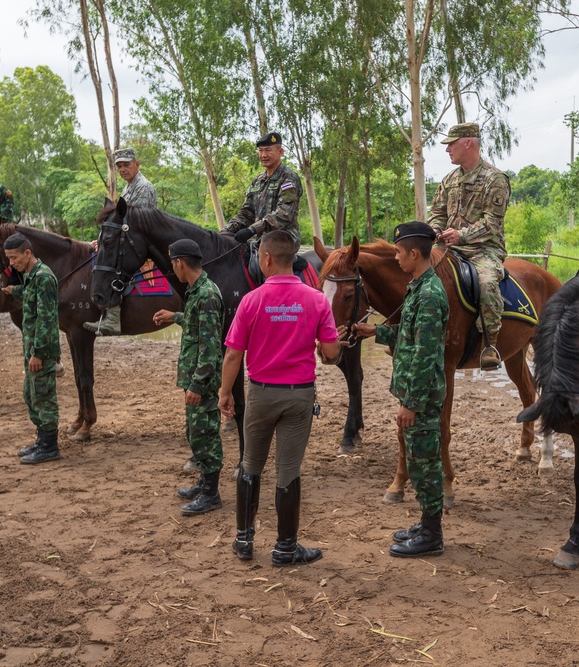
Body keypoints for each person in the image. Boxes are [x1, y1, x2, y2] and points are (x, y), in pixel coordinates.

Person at [219, 230, 340, 565]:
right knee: (288, 470)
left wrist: (225, 392)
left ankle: (244, 541)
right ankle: (286, 547)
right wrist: (323, 348)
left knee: (250, 465)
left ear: (267, 258)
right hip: (298, 396)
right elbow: (330, 352)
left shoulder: (251, 300)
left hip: (259, 394)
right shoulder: (316, 300)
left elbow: (233, 355)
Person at [351, 222, 450, 557]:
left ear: (413, 253)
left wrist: (411, 402)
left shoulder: (430, 295)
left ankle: (433, 535)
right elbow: (408, 337)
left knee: (425, 462)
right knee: (419, 460)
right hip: (415, 394)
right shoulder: (416, 288)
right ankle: (425, 523)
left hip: (420, 397)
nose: (394, 257)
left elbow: (425, 353)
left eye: (397, 251)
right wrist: (373, 332)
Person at [152, 239, 226, 516]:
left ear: (179, 263)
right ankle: (205, 483)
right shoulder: (198, 291)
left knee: (204, 433)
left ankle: (211, 493)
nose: (174, 269)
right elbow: (199, 324)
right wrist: (176, 316)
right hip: (197, 376)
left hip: (202, 380)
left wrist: (197, 383)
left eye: (173, 264)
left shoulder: (205, 294)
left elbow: (210, 345)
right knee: (196, 432)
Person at [428, 122, 509, 371]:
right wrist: (433, 230)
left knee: (485, 283)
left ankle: (489, 343)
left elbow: (492, 223)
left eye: (451, 144)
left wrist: (461, 235)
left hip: (484, 250)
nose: (447, 150)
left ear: (468, 142)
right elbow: (437, 213)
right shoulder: (449, 180)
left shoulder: (494, 179)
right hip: (449, 248)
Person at [1, 233, 62, 465]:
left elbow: (47, 319)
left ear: (27, 253)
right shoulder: (31, 276)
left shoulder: (44, 277)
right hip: (32, 347)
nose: (11, 263)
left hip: (41, 350)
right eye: (8, 258)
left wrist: (38, 352)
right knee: (31, 394)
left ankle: (50, 446)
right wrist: (12, 291)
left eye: (14, 258)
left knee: (44, 397)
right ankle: (42, 439)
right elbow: (31, 297)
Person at [85, 147, 158, 336]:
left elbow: (135, 224)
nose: (123, 169)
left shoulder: (143, 187)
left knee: (116, 269)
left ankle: (114, 318)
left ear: (137, 164)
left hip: (143, 241)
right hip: (131, 239)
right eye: (119, 166)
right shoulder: (129, 187)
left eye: (126, 165)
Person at [220, 132, 303, 248]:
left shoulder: (289, 178)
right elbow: (247, 212)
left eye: (268, 150)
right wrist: (224, 232)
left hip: (283, 241)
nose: (263, 155)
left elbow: (284, 214)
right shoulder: (258, 180)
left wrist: (252, 229)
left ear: (280, 152)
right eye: (261, 150)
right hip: (258, 241)